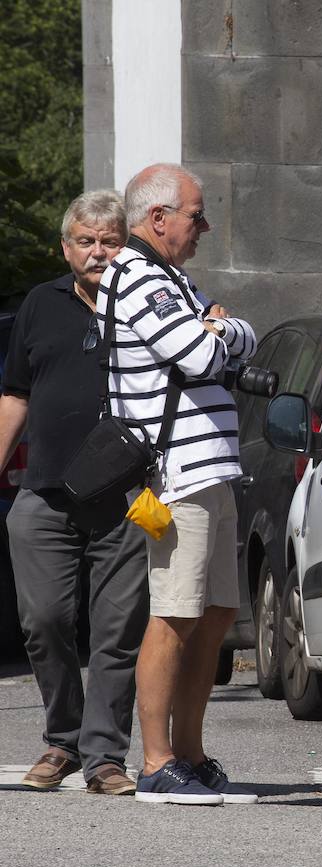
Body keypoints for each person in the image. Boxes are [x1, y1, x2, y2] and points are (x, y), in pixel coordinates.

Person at [102, 164, 259, 804]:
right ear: (158, 217)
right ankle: (156, 761)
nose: (205, 227)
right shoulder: (138, 275)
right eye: (196, 215)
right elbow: (201, 355)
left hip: (212, 469)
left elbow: (240, 340)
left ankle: (189, 754)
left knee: (217, 612)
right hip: (176, 473)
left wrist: (220, 329)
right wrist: (217, 330)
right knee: (173, 614)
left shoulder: (174, 279)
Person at [0, 191, 149, 796]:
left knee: (118, 632)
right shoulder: (41, 303)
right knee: (43, 621)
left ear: (126, 246)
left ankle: (104, 756)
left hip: (127, 497)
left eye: (109, 241)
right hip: (45, 492)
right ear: (66, 248)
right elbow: (15, 394)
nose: (97, 252)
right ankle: (61, 739)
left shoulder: (147, 303)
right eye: (85, 241)